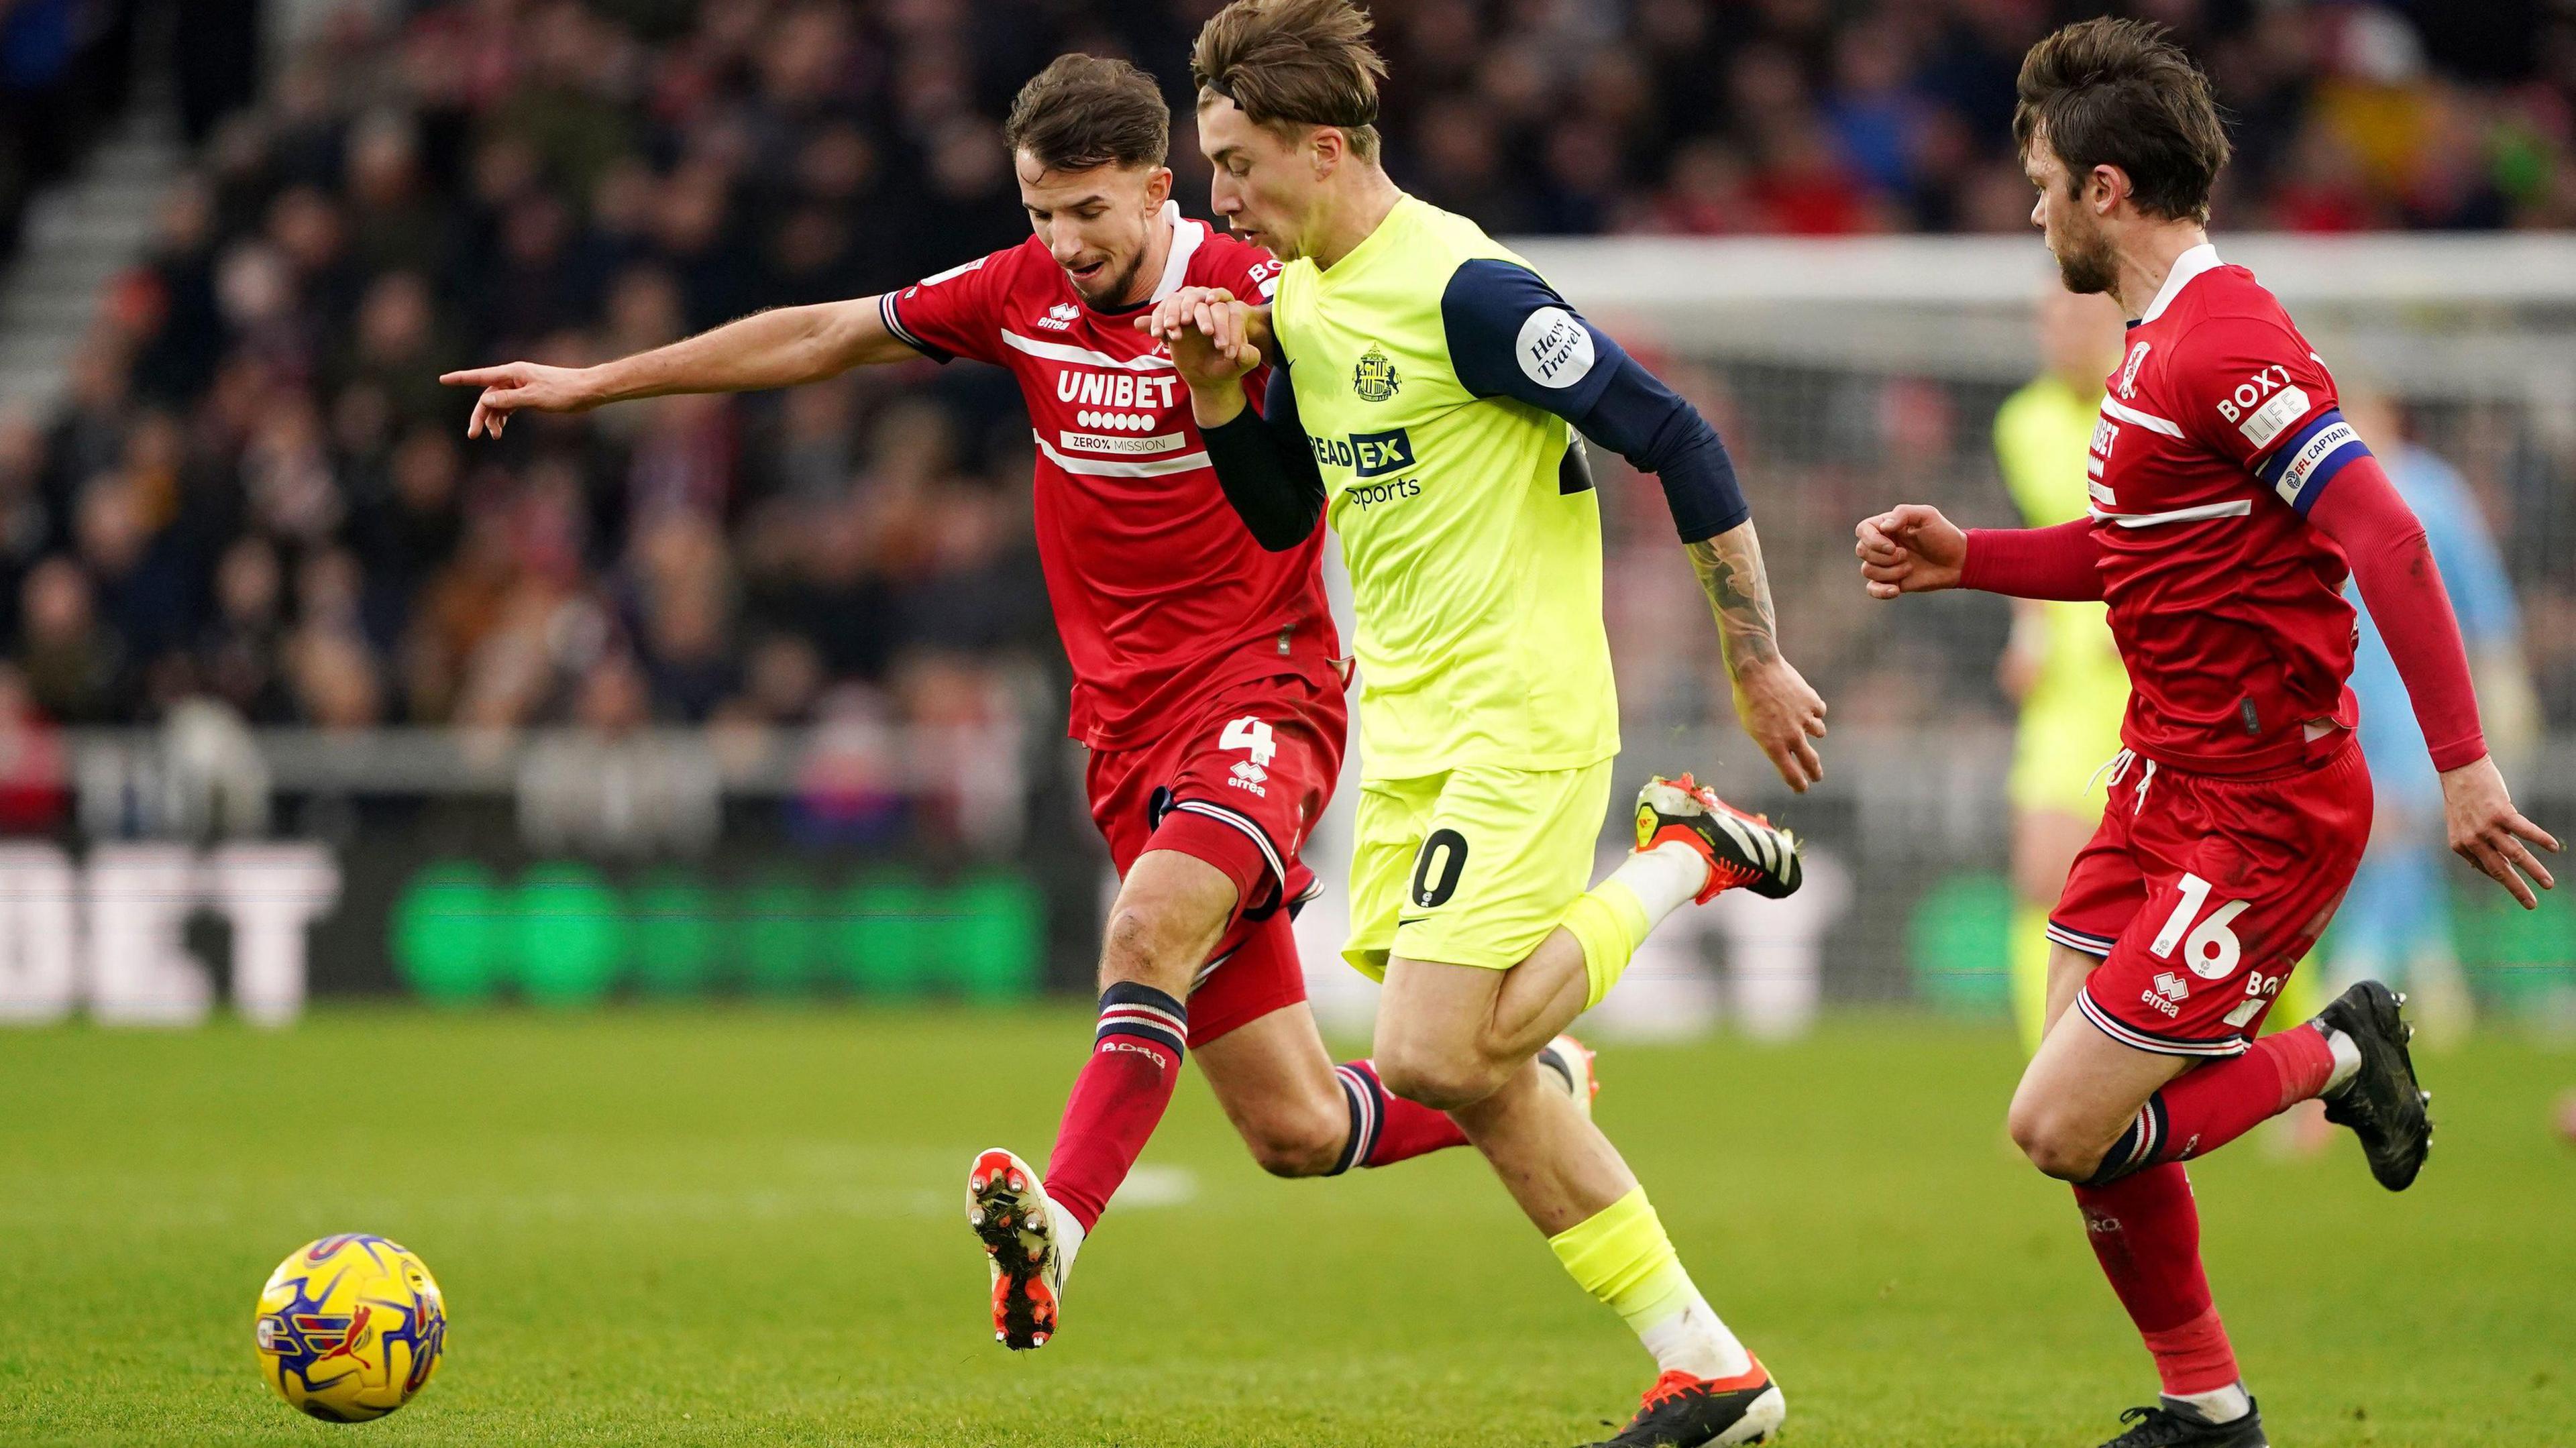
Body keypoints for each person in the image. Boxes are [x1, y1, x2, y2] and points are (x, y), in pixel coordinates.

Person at [439, 54, 1599, 1357]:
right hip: (1121, 730)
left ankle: (1060, 1221)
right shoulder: (1021, 291)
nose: (1064, 242)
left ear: (1162, 189)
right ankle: (1532, 1076)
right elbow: (821, 334)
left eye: (1090, 212)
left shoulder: (1258, 284)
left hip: (1264, 690)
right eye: (1042, 212)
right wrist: (599, 383)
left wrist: (1263, 365)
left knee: (1147, 926)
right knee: (1297, 1126)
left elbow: (1372, 378)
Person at [1854, 20, 2559, 1447]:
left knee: (2062, 1123)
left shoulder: (2225, 337)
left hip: (2263, 801)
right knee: (2077, 1116)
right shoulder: (2152, 344)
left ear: (2108, 189)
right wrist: (1969, 556)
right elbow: (2137, 551)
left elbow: (2388, 535)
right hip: (2161, 776)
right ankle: (2208, 1404)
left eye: (2045, 180)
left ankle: (2346, 1054)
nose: (2032, 207)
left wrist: (2467, 760)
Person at [1148, 3, 1825, 1443]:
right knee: (1459, 1061)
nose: (1221, 198)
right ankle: (1710, 1367)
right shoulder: (1306, 302)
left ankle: (1683, 856)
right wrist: (1223, 392)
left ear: (1325, 149)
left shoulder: (1466, 289)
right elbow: (1284, 509)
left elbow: (1677, 432)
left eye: (1236, 162)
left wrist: (1756, 661)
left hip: (1521, 706)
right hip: (1411, 728)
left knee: (1441, 1056)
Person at [2328, 391, 2537, 1042]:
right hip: (2344, 699)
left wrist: (2502, 680)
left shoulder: (2433, 492)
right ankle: (2431, 974)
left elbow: (2482, 598)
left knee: (2399, 829)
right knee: (2379, 835)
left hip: (2426, 703)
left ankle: (2357, 979)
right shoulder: (2316, 495)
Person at [1994, 286, 2131, 1053]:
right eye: (2052, 321)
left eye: (2081, 319)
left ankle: (2299, 1061)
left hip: (2155, 677)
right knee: (2041, 871)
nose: (2065, 336)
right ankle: (2047, 1070)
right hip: (2068, 688)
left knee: (2223, 888)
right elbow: (2037, 537)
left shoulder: (2151, 408)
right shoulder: (2023, 422)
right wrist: (2028, 630)